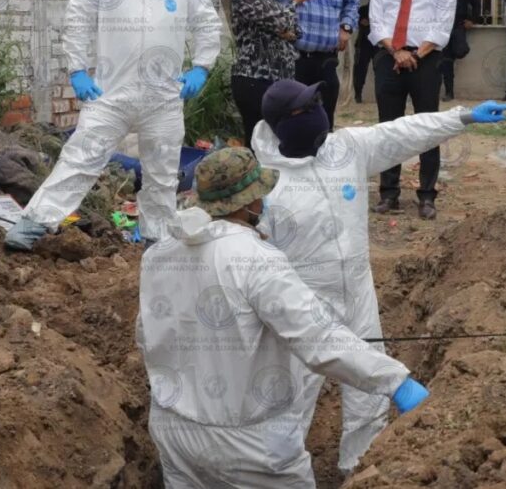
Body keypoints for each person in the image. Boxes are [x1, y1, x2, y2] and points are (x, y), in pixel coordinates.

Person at [251, 79, 506, 475]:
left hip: (358, 297)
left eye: (318, 102)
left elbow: (403, 133)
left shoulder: (346, 150)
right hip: (302, 311)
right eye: (305, 109)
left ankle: (359, 471)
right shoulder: (264, 185)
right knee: (289, 404)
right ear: (279, 126)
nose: (317, 113)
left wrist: (462, 117)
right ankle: (283, 478)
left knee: (368, 398)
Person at [139, 147, 431, 488]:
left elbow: (149, 334)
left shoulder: (159, 254)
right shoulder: (256, 259)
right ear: (251, 202)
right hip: (249, 442)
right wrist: (394, 381)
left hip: (174, 430)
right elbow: (318, 339)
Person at [3, 0, 222, 250]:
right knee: (81, 156)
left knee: (163, 173)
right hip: (111, 94)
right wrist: (77, 69)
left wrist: (202, 65)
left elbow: (207, 21)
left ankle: (156, 240)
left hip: (163, 98)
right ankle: (35, 222)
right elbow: (78, 17)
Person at [369, 0, 457, 220]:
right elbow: (377, 21)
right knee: (388, 128)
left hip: (426, 60)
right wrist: (396, 52)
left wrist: (416, 55)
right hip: (389, 57)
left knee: (428, 127)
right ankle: (388, 193)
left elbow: (443, 24)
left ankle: (427, 195)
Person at [229, 0, 317, 148]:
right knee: (260, 140)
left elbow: (295, 30)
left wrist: (285, 27)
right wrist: (293, 2)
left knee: (276, 139)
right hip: (256, 79)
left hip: (275, 79)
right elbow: (282, 22)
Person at [273, 0, 360, 130]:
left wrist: (346, 26)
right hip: (292, 60)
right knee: (295, 124)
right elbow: (266, 3)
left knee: (324, 125)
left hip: (326, 60)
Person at [440, 0, 480, 101]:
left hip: (458, 26)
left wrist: (472, 20)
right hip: (443, 27)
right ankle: (449, 92)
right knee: (446, 61)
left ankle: (449, 90)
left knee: (460, 51)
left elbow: (476, 4)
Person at [352, 2, 374, 104]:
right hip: (363, 43)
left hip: (379, 44)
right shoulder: (363, 9)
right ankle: (358, 94)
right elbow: (359, 22)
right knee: (359, 70)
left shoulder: (384, 8)